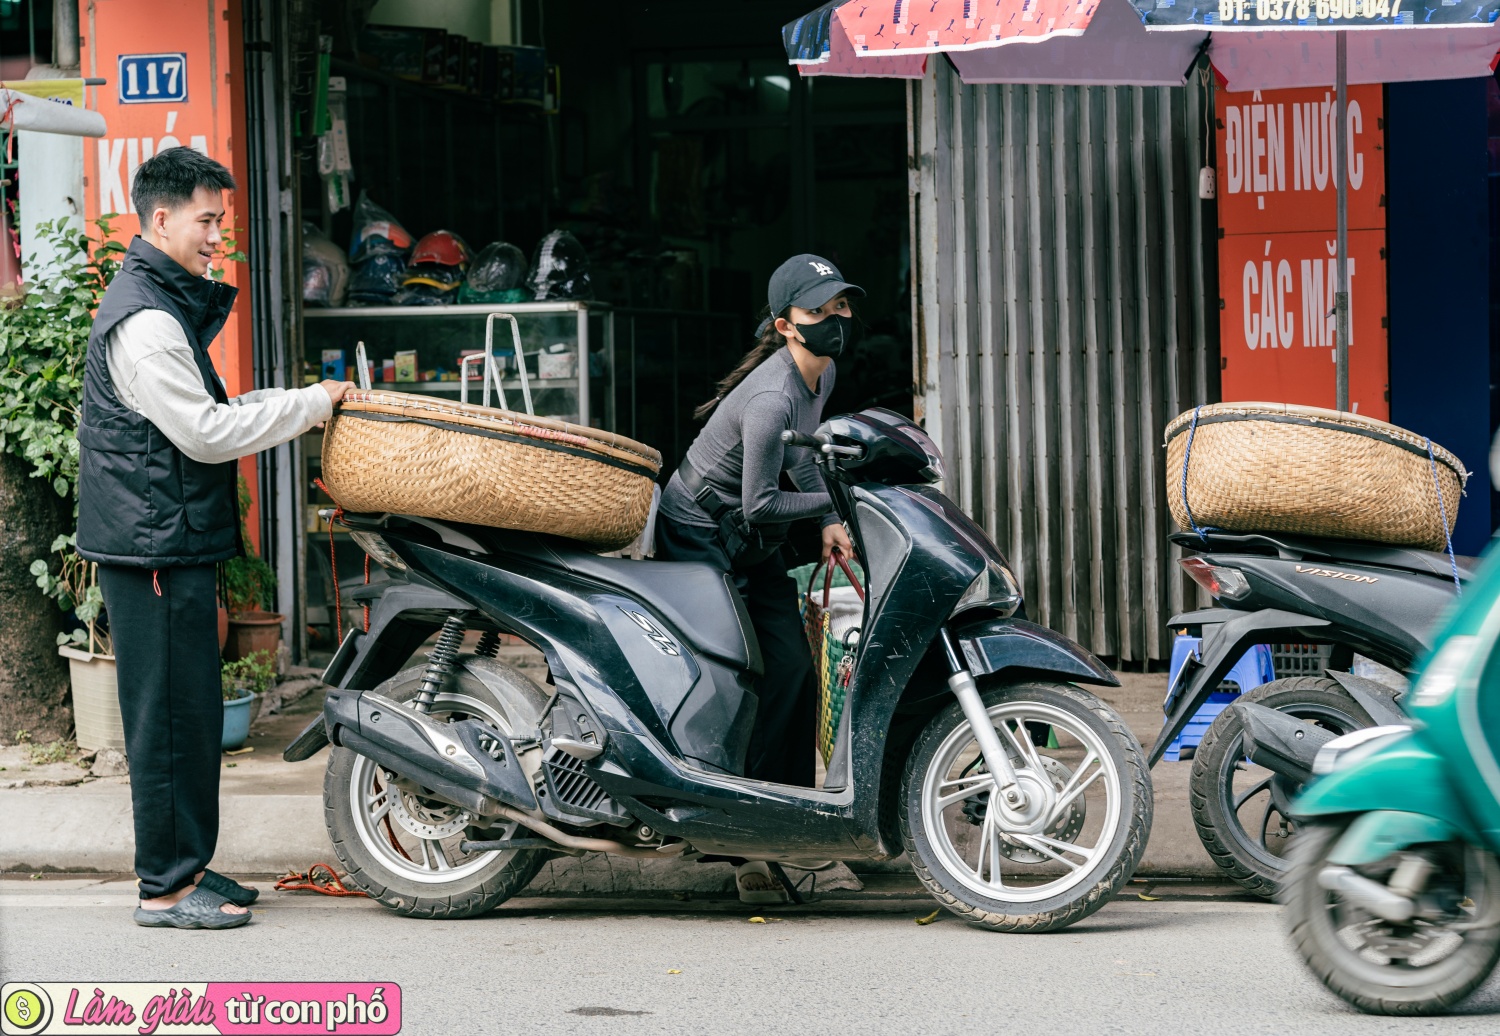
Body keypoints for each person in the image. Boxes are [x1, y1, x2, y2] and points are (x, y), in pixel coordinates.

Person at [75, 147, 355, 930]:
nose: (216, 239)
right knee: (167, 722)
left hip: (170, 544)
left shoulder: (159, 304)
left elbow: (209, 414)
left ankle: (187, 866)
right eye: (207, 221)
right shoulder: (146, 319)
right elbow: (204, 433)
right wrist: (307, 406)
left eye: (221, 223)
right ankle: (163, 887)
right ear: (160, 218)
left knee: (191, 716)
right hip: (153, 553)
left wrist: (304, 401)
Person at [654, 254, 862, 902]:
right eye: (818, 311)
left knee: (795, 673)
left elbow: (797, 462)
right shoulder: (772, 396)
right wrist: (847, 508)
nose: (835, 320)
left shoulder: (820, 375)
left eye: (841, 306)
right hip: (699, 534)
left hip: (748, 539)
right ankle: (738, 846)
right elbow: (759, 503)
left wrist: (828, 516)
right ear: (784, 325)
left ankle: (791, 825)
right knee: (737, 680)